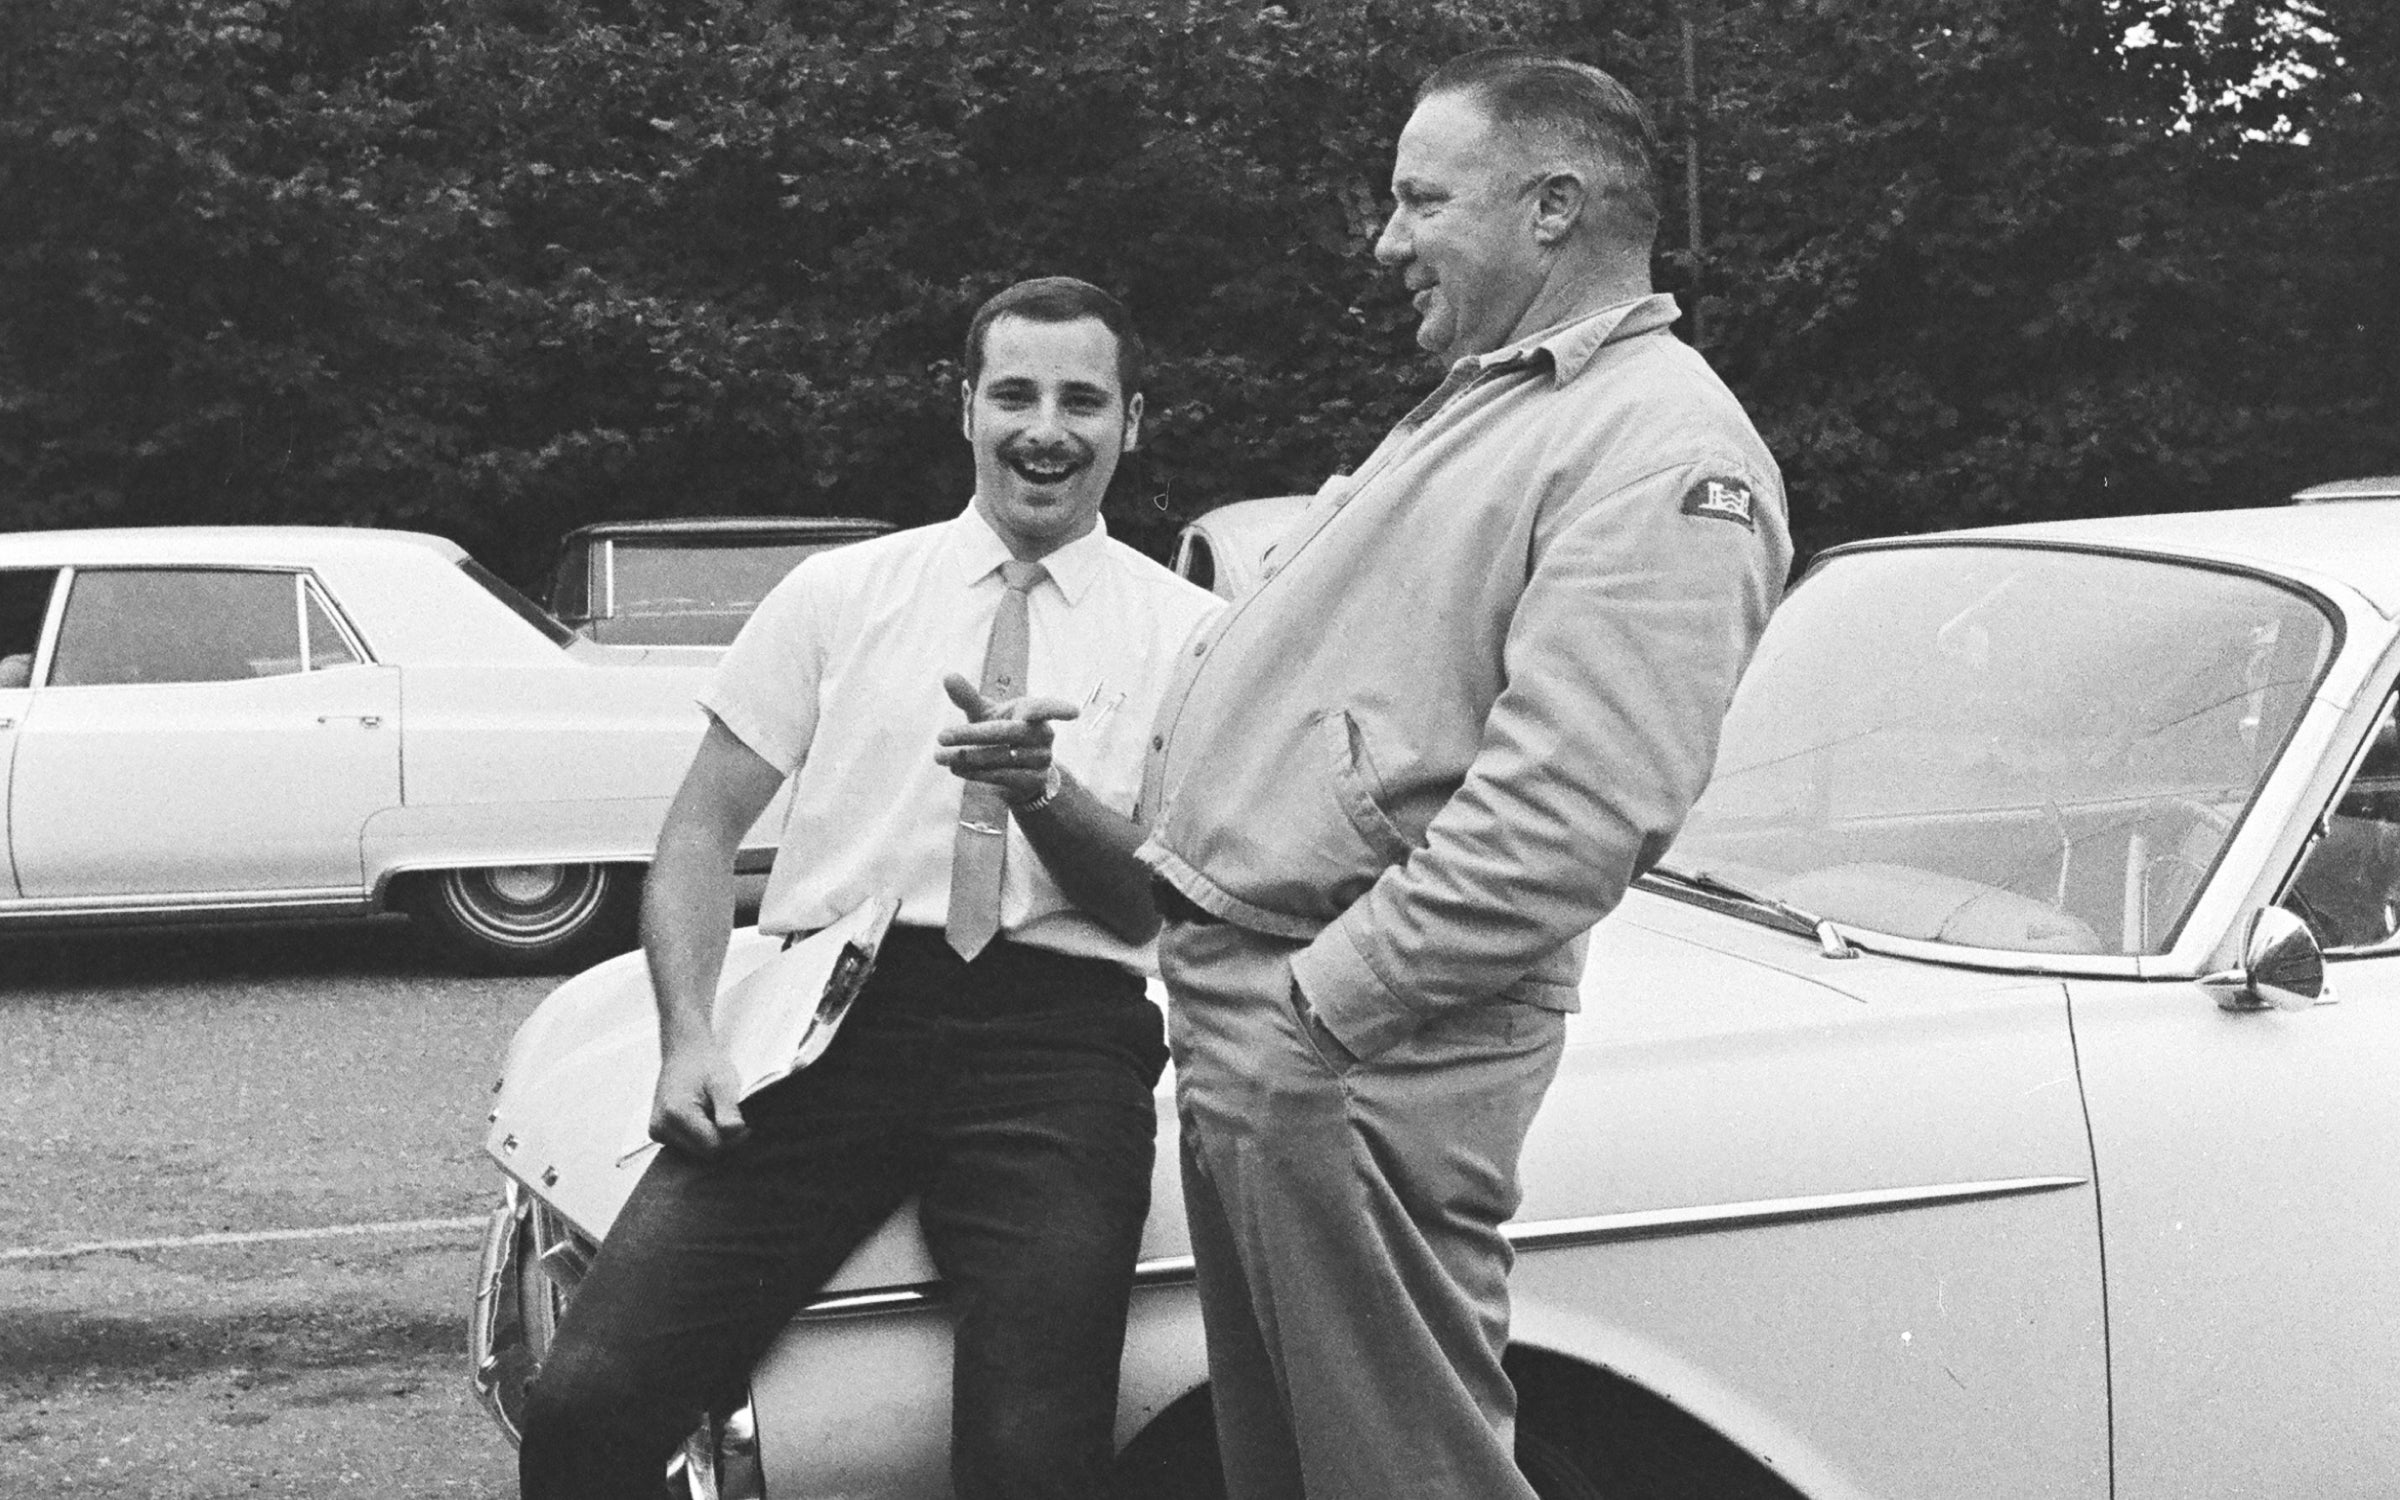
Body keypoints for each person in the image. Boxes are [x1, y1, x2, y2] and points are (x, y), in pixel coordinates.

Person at [1136, 50, 1794, 1500]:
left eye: (1420, 199)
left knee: (1395, 1475)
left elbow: (1574, 810)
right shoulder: (1506, 398)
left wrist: (1327, 1007)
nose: (1387, 241)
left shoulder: (1661, 445)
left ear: (1552, 208)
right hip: (1291, 1028)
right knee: (1300, 1472)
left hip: (1363, 1044)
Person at [516, 275, 1221, 1500]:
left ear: (1132, 422)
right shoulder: (842, 595)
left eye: (1082, 401)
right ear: (964, 409)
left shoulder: (1195, 634)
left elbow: (1151, 910)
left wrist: (1042, 792)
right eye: (1013, 395)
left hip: (1060, 1046)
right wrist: (687, 1037)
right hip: (835, 1019)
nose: (1044, 430)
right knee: (587, 1402)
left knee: (1030, 1457)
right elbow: (696, 834)